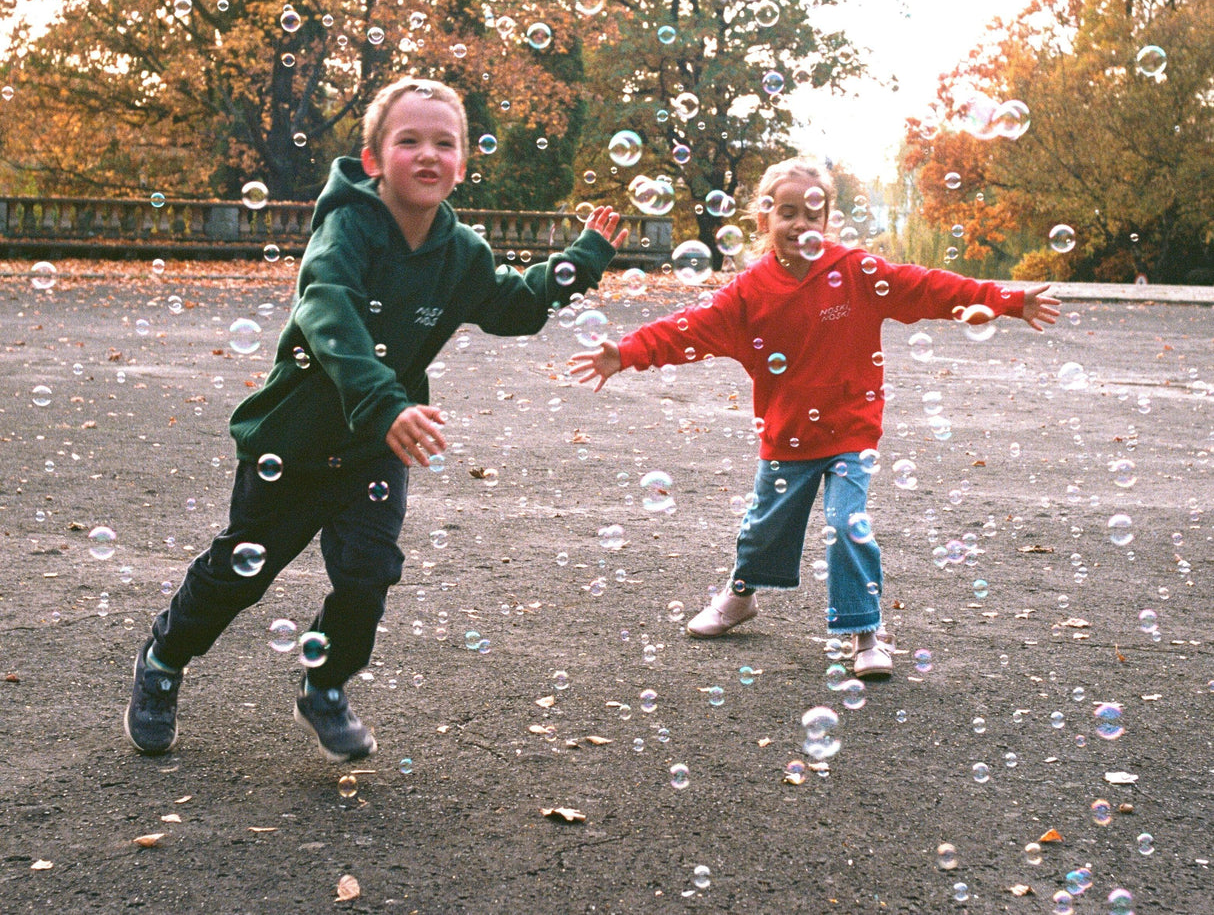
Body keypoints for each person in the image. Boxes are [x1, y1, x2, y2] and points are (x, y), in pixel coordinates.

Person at [125, 77, 629, 761]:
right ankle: (163, 659)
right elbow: (326, 309)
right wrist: (384, 401)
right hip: (295, 441)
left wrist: (580, 261)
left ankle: (325, 686)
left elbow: (512, 306)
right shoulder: (346, 230)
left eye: (444, 142)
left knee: (367, 575)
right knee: (241, 573)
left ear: (461, 163)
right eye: (409, 140)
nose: (429, 153)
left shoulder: (462, 254)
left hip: (374, 448)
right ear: (373, 161)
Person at [570, 156, 1058, 679]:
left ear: (826, 223)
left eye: (811, 213)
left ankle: (866, 629)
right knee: (764, 530)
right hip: (788, 435)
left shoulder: (856, 272)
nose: (799, 223)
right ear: (764, 221)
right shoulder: (748, 292)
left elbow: (931, 288)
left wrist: (1007, 299)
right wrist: (623, 353)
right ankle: (741, 597)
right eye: (786, 212)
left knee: (848, 523)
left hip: (851, 429)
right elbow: (687, 327)